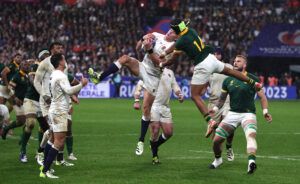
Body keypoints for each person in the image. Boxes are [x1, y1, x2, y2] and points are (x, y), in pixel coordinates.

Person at [158, 19, 262, 138]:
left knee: (195, 95)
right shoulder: (190, 31)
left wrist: (162, 63)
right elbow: (175, 45)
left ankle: (210, 121)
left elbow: (172, 59)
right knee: (231, 71)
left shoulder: (181, 41)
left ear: (176, 32)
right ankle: (253, 83)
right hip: (211, 58)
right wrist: (165, 52)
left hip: (202, 65)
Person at [88, 31, 178, 151]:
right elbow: (137, 48)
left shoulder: (173, 48)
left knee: (146, 109)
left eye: (174, 32)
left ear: (177, 36)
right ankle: (99, 77)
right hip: (142, 67)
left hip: (154, 77)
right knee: (124, 58)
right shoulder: (156, 34)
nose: (170, 31)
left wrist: (150, 49)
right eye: (171, 29)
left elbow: (160, 64)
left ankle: (141, 141)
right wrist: (143, 39)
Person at [208, 55, 272, 174]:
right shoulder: (227, 80)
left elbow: (262, 97)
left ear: (244, 65)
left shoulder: (253, 79)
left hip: (248, 114)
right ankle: (218, 160)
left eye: (239, 61)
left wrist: (265, 112)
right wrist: (215, 109)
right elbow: (222, 99)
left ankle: (251, 163)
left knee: (250, 136)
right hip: (232, 114)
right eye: (234, 61)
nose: (235, 63)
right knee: (216, 140)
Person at [39, 53, 87, 179]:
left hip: (54, 109)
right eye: (64, 59)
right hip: (59, 111)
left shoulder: (53, 74)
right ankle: (45, 170)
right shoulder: (61, 75)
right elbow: (69, 91)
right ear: (60, 62)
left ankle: (44, 166)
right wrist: (82, 84)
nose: (65, 60)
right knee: (59, 141)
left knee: (52, 139)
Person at [133, 68, 183, 164]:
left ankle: (154, 145)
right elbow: (139, 85)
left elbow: (175, 86)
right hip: (153, 105)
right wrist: (136, 100)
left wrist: (179, 94)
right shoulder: (150, 70)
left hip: (165, 107)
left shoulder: (170, 72)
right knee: (155, 131)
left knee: (169, 132)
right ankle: (155, 157)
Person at [207, 48, 235, 161]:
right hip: (213, 102)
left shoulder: (229, 67)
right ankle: (217, 157)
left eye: (217, 53)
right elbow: (204, 85)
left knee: (227, 126)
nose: (215, 55)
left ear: (222, 55)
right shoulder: (209, 69)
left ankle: (229, 147)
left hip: (227, 101)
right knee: (216, 132)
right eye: (214, 53)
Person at [1, 60, 31, 145]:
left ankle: (23, 139)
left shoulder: (27, 76)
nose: (27, 66)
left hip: (26, 101)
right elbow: (9, 88)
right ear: (20, 66)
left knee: (28, 120)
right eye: (24, 64)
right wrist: (15, 98)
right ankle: (6, 128)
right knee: (21, 121)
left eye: (28, 65)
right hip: (17, 101)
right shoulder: (17, 76)